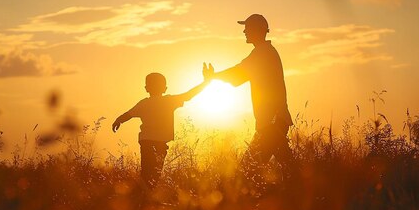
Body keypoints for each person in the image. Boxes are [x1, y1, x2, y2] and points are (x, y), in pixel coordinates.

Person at [203, 14, 295, 181]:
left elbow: (239, 73)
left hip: (271, 122)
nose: (244, 31)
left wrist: (213, 76)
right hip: (273, 121)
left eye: (248, 28)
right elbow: (239, 76)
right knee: (287, 167)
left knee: (247, 171)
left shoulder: (262, 53)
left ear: (258, 30)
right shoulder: (265, 52)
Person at [112, 72, 208, 188]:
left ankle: (143, 194)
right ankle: (146, 194)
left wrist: (118, 121)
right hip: (160, 143)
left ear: (146, 88)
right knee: (155, 173)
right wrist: (206, 82)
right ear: (165, 88)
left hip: (146, 142)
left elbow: (128, 114)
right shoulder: (169, 101)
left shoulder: (144, 103)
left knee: (147, 172)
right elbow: (189, 95)